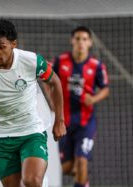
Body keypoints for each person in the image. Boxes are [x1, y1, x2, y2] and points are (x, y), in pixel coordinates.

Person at [0, 19, 66, 187]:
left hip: (31, 131)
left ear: (13, 44)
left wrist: (59, 120)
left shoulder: (32, 61)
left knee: (31, 181)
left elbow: (55, 82)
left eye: (1, 46)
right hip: (0, 136)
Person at [51, 26, 109, 187]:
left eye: (84, 39)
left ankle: (82, 181)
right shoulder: (60, 61)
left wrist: (94, 98)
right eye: (77, 39)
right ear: (72, 41)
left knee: (82, 161)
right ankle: (84, 182)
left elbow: (105, 89)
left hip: (86, 123)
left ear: (90, 43)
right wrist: (51, 97)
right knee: (67, 168)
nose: (80, 43)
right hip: (64, 122)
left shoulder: (96, 65)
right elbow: (47, 79)